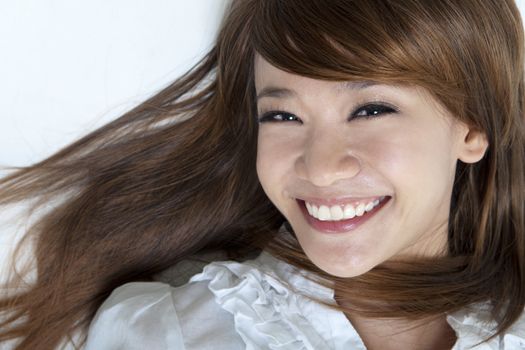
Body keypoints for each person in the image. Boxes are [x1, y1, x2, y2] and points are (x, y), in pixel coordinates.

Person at [1, 0, 524, 349]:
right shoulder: (167, 336)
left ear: (472, 127)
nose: (320, 166)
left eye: (370, 110)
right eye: (283, 116)